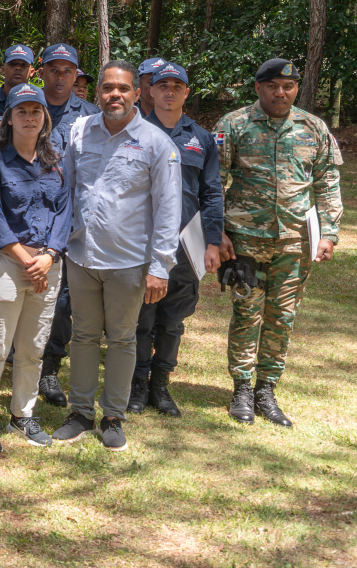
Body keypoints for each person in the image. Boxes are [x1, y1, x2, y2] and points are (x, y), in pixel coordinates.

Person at [50, 60, 181, 452]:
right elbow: (66, 188)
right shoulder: (79, 131)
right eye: (108, 88)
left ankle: (113, 417)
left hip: (129, 261)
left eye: (123, 89)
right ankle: (79, 413)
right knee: (85, 335)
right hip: (82, 255)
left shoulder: (156, 143)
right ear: (97, 92)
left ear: (137, 94)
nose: (115, 95)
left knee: (123, 338)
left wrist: (160, 266)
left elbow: (168, 209)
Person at [215, 58, 342, 428]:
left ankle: (266, 389)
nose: (280, 92)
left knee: (281, 318)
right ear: (258, 88)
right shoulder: (234, 125)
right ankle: (241, 388)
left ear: (296, 88)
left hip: (294, 243)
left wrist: (330, 233)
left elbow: (327, 185)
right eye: (272, 86)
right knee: (246, 313)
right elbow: (214, 184)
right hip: (246, 243)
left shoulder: (313, 128)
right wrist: (217, 232)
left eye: (287, 86)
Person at [0, 84, 71, 453]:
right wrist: (29, 261)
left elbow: (64, 215)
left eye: (36, 111)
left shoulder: (55, 164)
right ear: (8, 118)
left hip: (46, 267)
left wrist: (47, 258)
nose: (29, 117)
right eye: (22, 111)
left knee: (32, 348)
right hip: (6, 266)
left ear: (45, 119)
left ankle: (22, 415)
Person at [123, 63, 223, 418]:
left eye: (176, 86)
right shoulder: (132, 132)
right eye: (162, 85)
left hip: (186, 243)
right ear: (149, 91)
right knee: (139, 317)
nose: (168, 91)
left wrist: (212, 242)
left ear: (186, 92)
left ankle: (160, 385)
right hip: (140, 241)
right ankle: (136, 384)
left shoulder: (201, 138)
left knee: (173, 318)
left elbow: (212, 194)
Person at [35, 43, 101, 408]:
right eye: (53, 69)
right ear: (40, 71)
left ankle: (48, 369)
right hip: (29, 218)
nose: (60, 77)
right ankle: (17, 362)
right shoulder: (26, 108)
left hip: (72, 224)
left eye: (67, 71)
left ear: (77, 75)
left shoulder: (91, 117)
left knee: (63, 302)